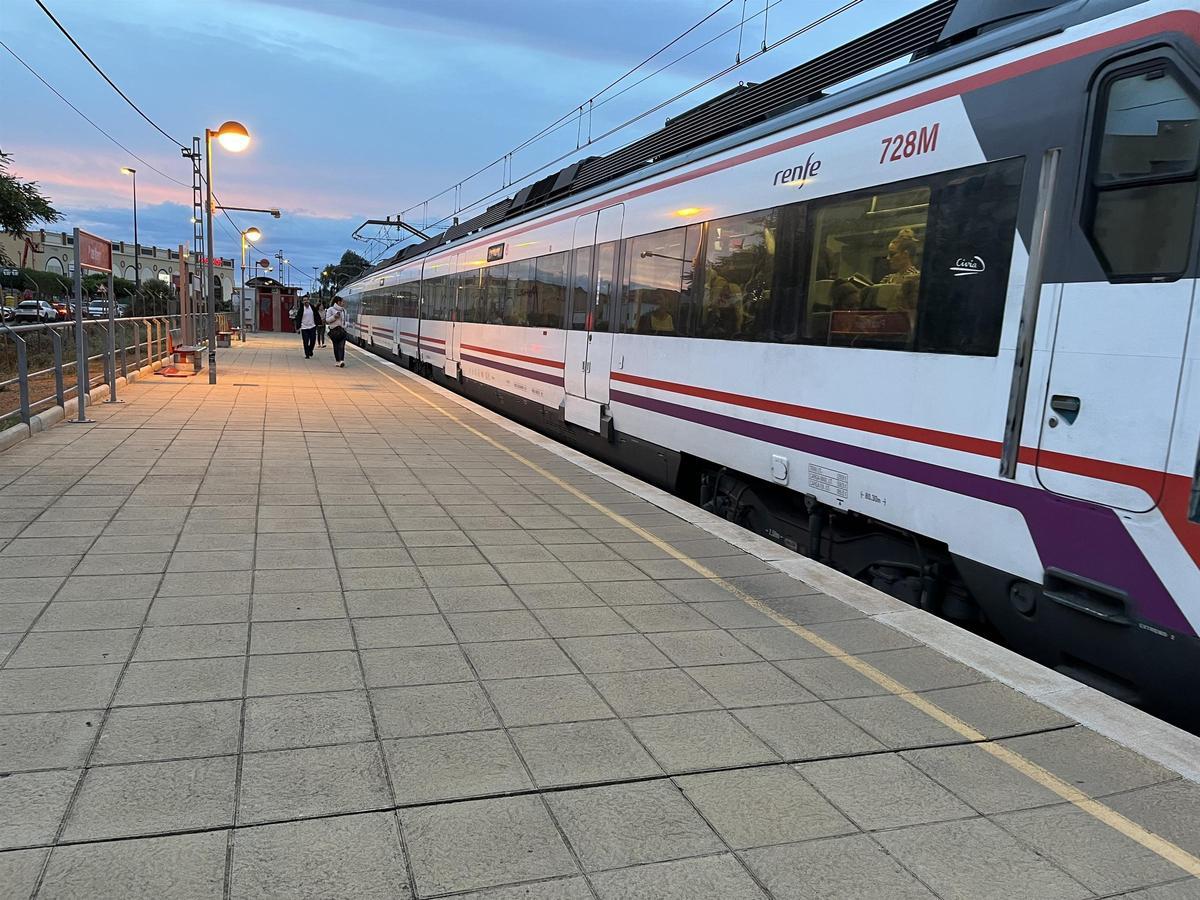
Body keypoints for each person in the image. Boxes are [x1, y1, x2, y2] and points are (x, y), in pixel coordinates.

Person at [326, 296, 348, 367]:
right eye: (342, 302)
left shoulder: (344, 311)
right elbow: (327, 320)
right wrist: (334, 317)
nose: (343, 303)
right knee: (336, 346)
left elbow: (345, 320)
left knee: (342, 346)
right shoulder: (330, 309)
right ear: (338, 302)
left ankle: (341, 360)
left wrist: (346, 325)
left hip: (342, 330)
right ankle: (337, 360)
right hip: (334, 331)